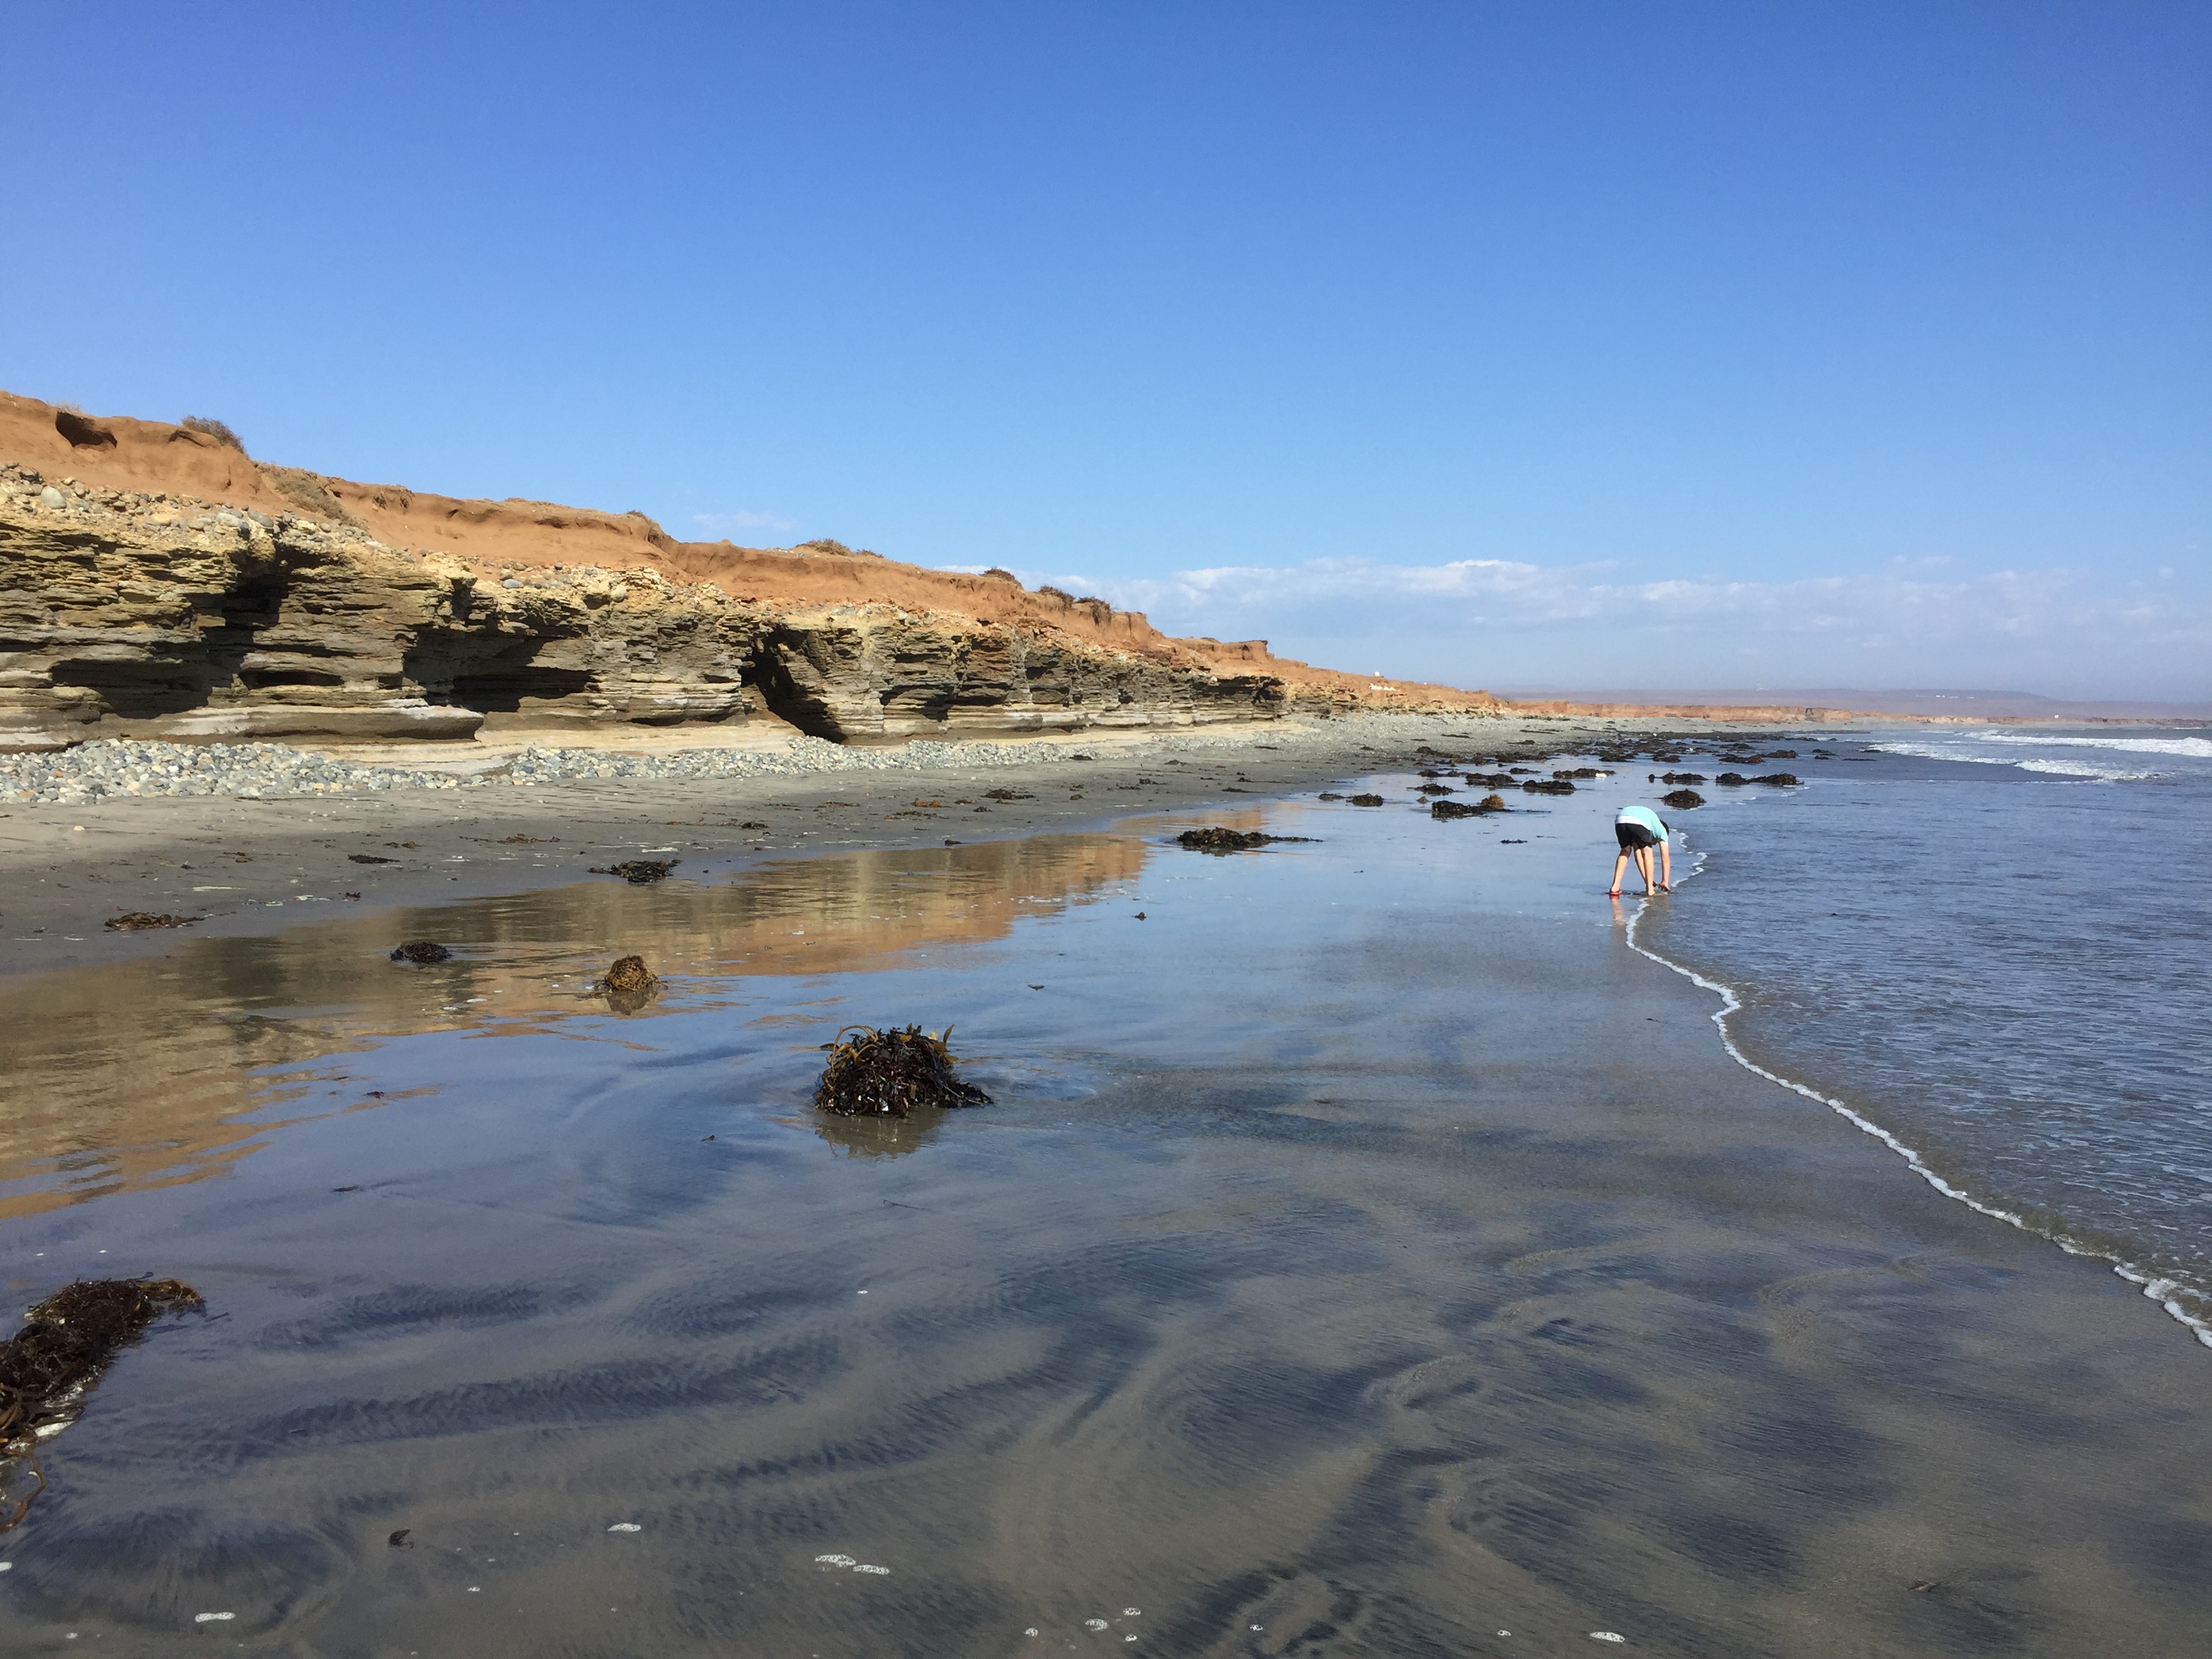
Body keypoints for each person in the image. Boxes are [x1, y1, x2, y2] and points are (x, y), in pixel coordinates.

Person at [1609, 803, 1671, 897]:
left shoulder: (1650, 822)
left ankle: (1615, 887)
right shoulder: (1662, 831)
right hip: (1638, 822)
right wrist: (1665, 881)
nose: (1654, 844)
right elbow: (1665, 858)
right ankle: (1650, 890)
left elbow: (1638, 855)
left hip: (1620, 820)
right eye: (1655, 842)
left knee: (1625, 851)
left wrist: (1647, 879)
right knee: (1647, 852)